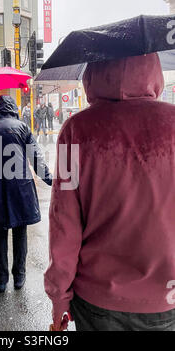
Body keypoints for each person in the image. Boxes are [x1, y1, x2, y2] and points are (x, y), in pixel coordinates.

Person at [44, 53, 175, 331]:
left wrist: (60, 299)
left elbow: (63, 224)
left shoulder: (75, 131)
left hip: (98, 299)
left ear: (92, 74)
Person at [0, 96, 52, 293]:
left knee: (0, 232)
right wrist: (52, 181)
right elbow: (37, 160)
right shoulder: (22, 128)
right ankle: (19, 276)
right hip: (21, 188)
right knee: (20, 232)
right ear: (13, 109)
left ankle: (1, 280)